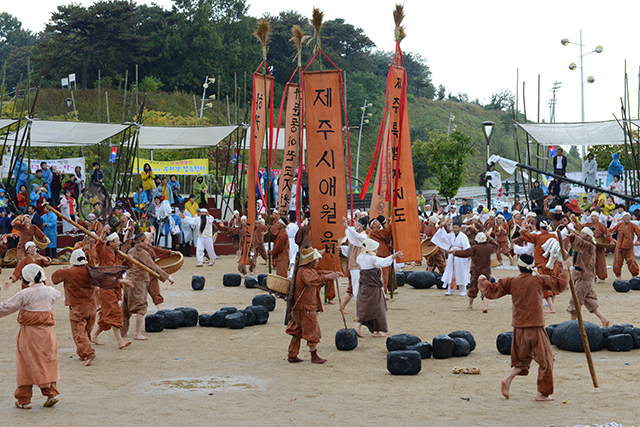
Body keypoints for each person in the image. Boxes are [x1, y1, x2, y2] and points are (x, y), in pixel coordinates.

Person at [478, 254, 570, 401]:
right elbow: (561, 284)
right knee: (546, 361)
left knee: (521, 361)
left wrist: (481, 279)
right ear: (532, 268)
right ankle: (542, 393)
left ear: (518, 267)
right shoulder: (539, 279)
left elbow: (490, 290)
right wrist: (565, 268)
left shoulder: (511, 282)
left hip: (519, 327)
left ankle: (507, 379)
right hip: (535, 326)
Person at [0, 264, 61, 409]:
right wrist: (48, 285)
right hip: (47, 334)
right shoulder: (50, 292)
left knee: (26, 364)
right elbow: (57, 295)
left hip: (30, 334)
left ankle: (24, 400)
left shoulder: (25, 294)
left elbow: (5, 308)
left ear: (25, 279)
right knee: (47, 362)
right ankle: (51, 394)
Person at [285, 246, 340, 364]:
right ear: (310, 261)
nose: (318, 261)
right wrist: (326, 277)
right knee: (312, 330)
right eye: (316, 259)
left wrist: (330, 274)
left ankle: (292, 354)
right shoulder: (305, 272)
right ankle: (314, 356)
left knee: (297, 330)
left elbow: (317, 273)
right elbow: (312, 279)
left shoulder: (307, 270)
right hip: (306, 307)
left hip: (301, 306)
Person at [50, 249, 99, 366]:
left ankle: (88, 352)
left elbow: (54, 278)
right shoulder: (91, 271)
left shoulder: (68, 272)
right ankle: (82, 354)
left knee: (79, 332)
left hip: (77, 307)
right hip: (92, 307)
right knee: (86, 331)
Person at [123, 233, 173, 340]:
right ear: (140, 242)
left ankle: (123, 332)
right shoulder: (143, 253)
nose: (147, 242)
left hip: (128, 281)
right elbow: (153, 266)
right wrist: (167, 277)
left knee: (126, 308)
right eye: (145, 240)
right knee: (141, 308)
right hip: (138, 283)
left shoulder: (131, 251)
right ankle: (137, 333)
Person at [90, 226, 132, 349]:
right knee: (115, 313)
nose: (119, 243)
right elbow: (99, 245)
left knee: (106, 315)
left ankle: (94, 336)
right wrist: (103, 232)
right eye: (118, 241)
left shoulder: (117, 255)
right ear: (111, 242)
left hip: (115, 288)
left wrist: (129, 261)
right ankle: (120, 342)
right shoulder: (103, 252)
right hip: (106, 288)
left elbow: (124, 267)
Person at [355, 238, 402, 338]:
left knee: (364, 306)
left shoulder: (361, 256)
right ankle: (369, 329)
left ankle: (367, 328)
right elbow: (383, 262)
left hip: (364, 286)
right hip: (373, 287)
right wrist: (394, 256)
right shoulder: (372, 259)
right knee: (378, 308)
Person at [565, 226, 609, 327]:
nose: (580, 235)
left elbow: (580, 242)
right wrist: (569, 228)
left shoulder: (589, 246)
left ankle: (573, 325)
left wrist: (573, 236)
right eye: (580, 233)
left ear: (589, 237)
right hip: (586, 278)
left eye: (583, 234)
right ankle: (604, 319)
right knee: (590, 300)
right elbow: (578, 239)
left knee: (575, 301)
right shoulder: (588, 245)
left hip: (583, 278)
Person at [520, 219, 563, 313]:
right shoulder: (553, 236)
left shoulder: (537, 237)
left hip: (542, 264)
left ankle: (551, 307)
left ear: (540, 227)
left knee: (545, 285)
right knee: (553, 283)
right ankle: (552, 304)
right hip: (554, 264)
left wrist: (523, 224)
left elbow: (524, 234)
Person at [453, 232, 496, 312]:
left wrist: (454, 252)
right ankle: (485, 306)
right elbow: (496, 245)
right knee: (486, 288)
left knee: (473, 287)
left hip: (476, 270)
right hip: (486, 271)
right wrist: (489, 237)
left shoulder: (475, 248)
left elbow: (465, 253)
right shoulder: (489, 248)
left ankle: (470, 304)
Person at [432, 217, 471, 296]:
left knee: (461, 272)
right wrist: (441, 228)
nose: (455, 229)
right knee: (451, 272)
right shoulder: (451, 235)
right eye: (454, 227)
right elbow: (444, 237)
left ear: (460, 228)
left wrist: (468, 256)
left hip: (460, 256)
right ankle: (451, 289)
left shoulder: (463, 237)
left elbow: (467, 248)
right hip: (452, 256)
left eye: (456, 228)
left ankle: (462, 290)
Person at [610, 212, 640, 279]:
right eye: (625, 217)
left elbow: (639, 235)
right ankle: (618, 276)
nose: (627, 218)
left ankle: (634, 275)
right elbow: (612, 230)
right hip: (619, 247)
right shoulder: (619, 225)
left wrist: (638, 241)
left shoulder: (633, 225)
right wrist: (605, 232)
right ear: (623, 219)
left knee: (632, 261)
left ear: (630, 218)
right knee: (617, 262)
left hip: (629, 247)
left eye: (628, 217)